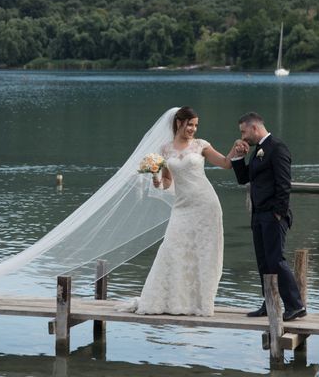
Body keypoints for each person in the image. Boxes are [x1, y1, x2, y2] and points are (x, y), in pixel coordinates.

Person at [121, 106, 236, 316]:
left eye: (196, 125)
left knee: (202, 252)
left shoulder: (201, 145)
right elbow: (167, 182)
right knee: (172, 248)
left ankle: (199, 303)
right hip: (182, 207)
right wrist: (156, 180)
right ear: (178, 123)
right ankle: (172, 301)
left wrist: (235, 152)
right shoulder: (165, 150)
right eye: (190, 124)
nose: (193, 128)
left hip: (206, 204)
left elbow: (225, 164)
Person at [229, 112, 306, 321]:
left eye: (244, 132)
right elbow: (244, 178)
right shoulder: (258, 151)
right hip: (258, 215)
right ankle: (269, 302)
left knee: (276, 261)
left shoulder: (277, 148)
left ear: (255, 128)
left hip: (273, 215)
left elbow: (284, 184)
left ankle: (295, 305)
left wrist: (278, 213)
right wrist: (238, 156)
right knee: (263, 263)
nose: (243, 137)